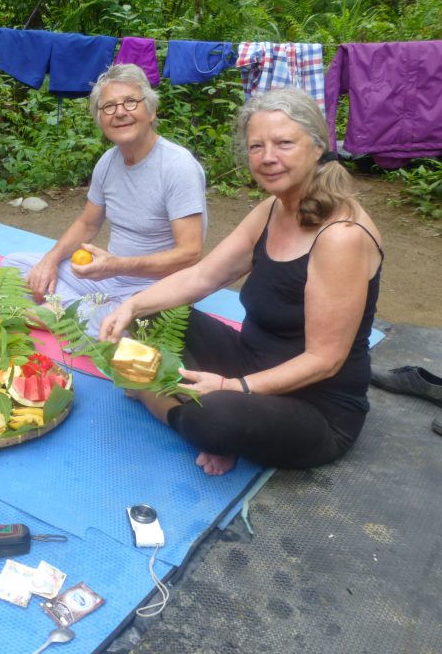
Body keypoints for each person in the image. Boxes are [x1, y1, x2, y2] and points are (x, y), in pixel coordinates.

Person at [99, 88, 383, 476]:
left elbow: (324, 361)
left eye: (284, 143)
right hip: (248, 361)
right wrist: (130, 306)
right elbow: (203, 275)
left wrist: (234, 390)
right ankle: (217, 418)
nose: (268, 158)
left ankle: (170, 404)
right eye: (256, 146)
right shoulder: (272, 208)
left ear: (318, 147)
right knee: (152, 310)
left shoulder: (341, 236)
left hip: (316, 407)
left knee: (213, 418)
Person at [2, 63, 206, 332]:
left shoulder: (178, 165)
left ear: (151, 110)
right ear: (100, 119)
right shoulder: (108, 163)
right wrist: (49, 262)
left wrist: (117, 265)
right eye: (108, 106)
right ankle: (70, 311)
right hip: (110, 278)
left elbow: (190, 254)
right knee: (13, 265)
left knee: (126, 324)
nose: (120, 112)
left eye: (131, 102)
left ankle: (64, 311)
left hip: (157, 287)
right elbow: (88, 224)